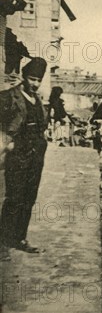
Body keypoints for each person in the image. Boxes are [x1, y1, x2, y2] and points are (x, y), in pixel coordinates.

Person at [0, 58, 49, 258]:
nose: (35, 84)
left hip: (36, 156)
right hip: (17, 154)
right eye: (32, 79)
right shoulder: (9, 97)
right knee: (14, 198)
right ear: (23, 76)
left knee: (29, 198)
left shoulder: (37, 100)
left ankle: (20, 238)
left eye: (38, 80)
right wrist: (7, 143)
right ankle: (3, 242)